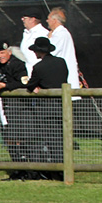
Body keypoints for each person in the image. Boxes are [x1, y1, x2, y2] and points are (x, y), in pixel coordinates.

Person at [24, 36, 68, 178]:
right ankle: (63, 168)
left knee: (49, 139)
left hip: (46, 108)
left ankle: (53, 170)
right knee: (60, 139)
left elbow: (30, 84)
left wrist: (36, 86)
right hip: (61, 105)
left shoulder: (38, 67)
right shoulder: (61, 63)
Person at [0, 40, 29, 180]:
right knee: (9, 138)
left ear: (9, 52)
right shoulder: (1, 66)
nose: (1, 56)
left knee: (18, 138)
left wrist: (5, 86)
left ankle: (24, 170)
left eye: (3, 53)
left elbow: (22, 83)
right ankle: (16, 169)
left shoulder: (18, 64)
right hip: (6, 107)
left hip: (18, 107)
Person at [19, 10, 47, 78]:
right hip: (26, 74)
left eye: (24, 18)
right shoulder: (26, 34)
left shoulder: (43, 33)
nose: (22, 19)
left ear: (32, 19)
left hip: (38, 74)